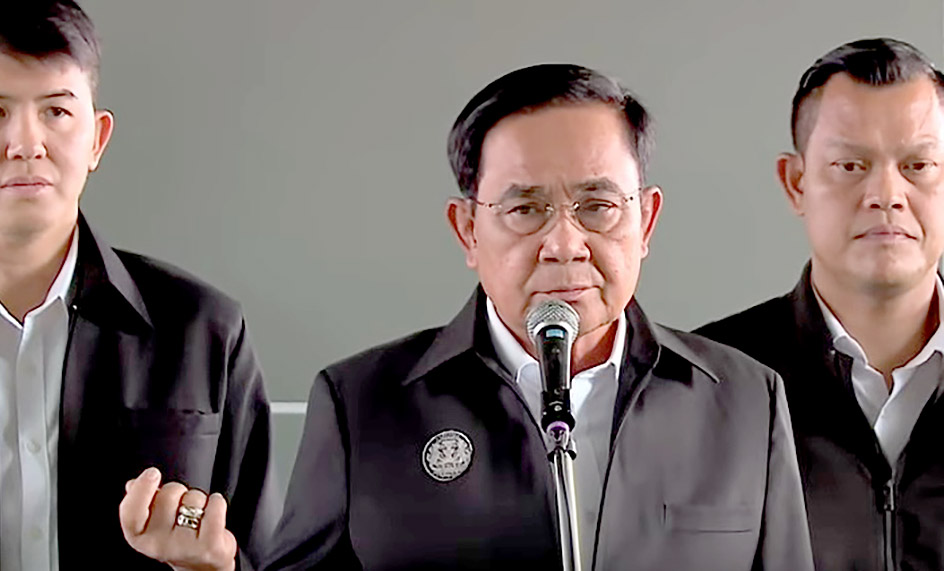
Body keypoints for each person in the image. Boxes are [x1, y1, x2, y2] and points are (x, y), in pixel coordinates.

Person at [263, 63, 813, 570]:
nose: (565, 245)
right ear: (468, 231)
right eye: (526, 209)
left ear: (645, 222)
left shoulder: (746, 400)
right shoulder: (361, 404)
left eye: (597, 207)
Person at [0, 1, 278, 569]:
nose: (26, 144)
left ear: (97, 140)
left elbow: (265, 556)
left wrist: (210, 567)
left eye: (56, 111)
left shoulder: (204, 331)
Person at [697, 38, 944, 570]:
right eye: (851, 165)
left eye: (919, 165)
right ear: (796, 183)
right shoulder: (708, 383)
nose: (886, 194)